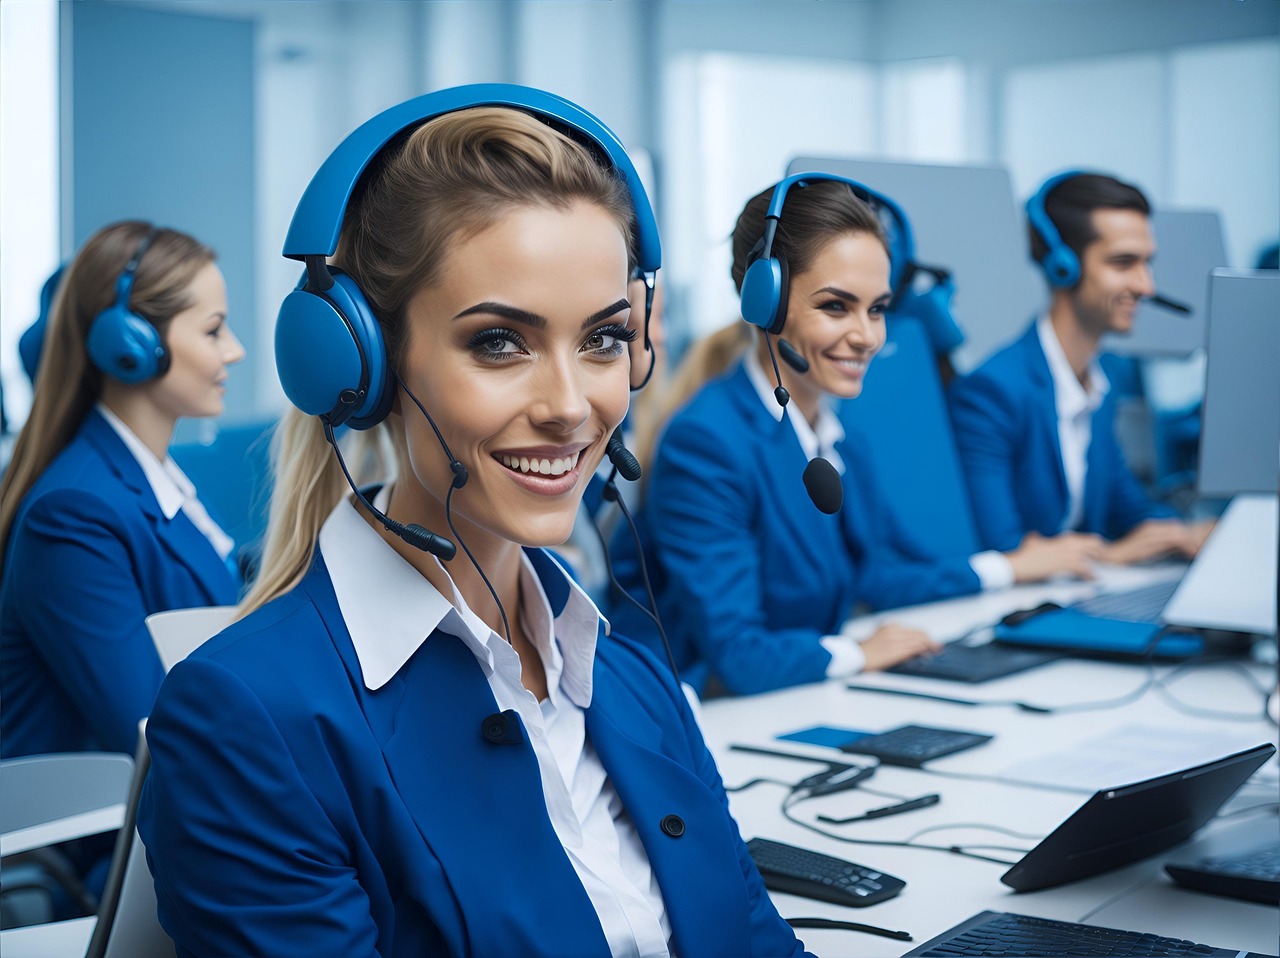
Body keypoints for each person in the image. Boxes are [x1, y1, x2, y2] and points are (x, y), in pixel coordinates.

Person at [137, 86, 811, 958]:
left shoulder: (629, 674)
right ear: (357, 362)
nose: (571, 408)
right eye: (500, 342)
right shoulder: (243, 720)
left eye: (603, 339)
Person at [606, 176, 1101, 698]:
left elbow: (878, 575)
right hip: (707, 715)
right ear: (765, 303)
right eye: (836, 307)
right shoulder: (707, 445)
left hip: (797, 696)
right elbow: (737, 654)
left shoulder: (837, 438)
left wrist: (1008, 569)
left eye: (878, 308)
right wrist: (858, 654)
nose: (867, 336)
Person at [0, 221, 245, 759]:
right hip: (93, 834)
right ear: (131, 346)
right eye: (213, 331)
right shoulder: (72, 514)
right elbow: (151, 728)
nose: (235, 351)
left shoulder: (154, 481)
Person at [949, 171, 1213, 561]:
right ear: (1063, 266)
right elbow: (1002, 547)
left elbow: (1130, 509)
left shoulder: (1098, 386)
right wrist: (1111, 556)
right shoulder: (993, 392)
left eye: (1147, 263)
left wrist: (1182, 533)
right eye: (1124, 263)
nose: (1146, 286)